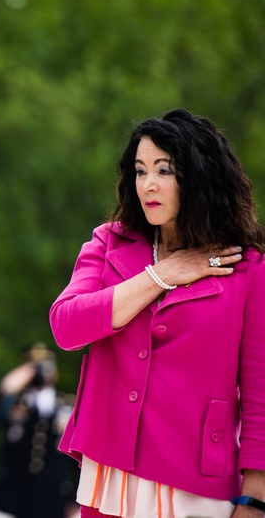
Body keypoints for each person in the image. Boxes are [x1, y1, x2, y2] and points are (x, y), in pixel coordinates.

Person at [49, 108, 265, 518]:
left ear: (199, 177)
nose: (148, 184)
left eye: (164, 170)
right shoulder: (109, 243)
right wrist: (162, 274)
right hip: (109, 474)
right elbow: (67, 325)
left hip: (197, 480)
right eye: (140, 170)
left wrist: (256, 498)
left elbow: (261, 394)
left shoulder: (248, 268)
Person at [0, 343, 77, 518]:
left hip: (54, 495)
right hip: (15, 494)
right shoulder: (11, 402)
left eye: (46, 367)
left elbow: (78, 457)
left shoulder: (65, 405)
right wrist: (4, 389)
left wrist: (75, 498)